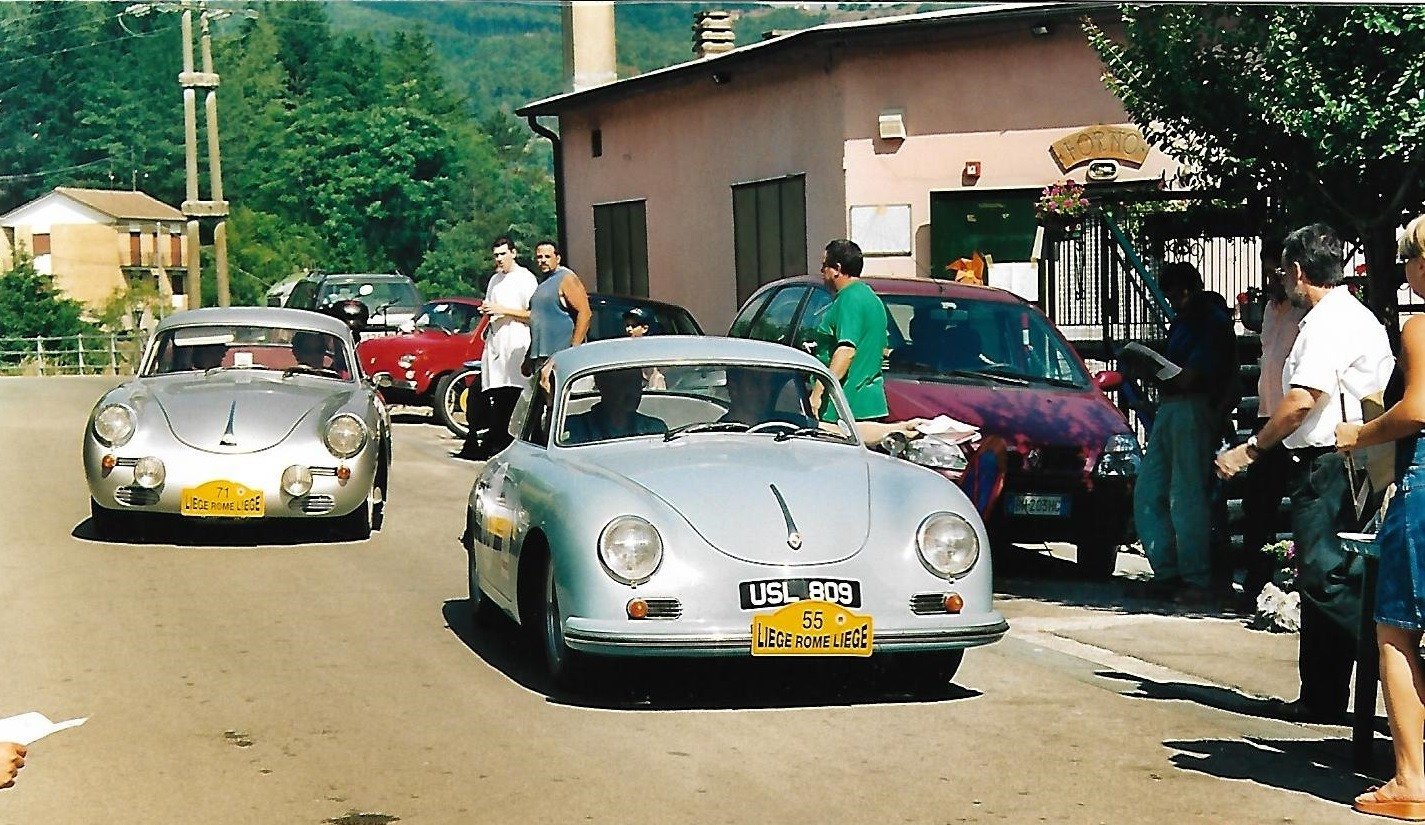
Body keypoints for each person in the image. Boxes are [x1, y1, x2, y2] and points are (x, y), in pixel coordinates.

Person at [1216, 223, 1394, 725]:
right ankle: (1321, 695)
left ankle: (1398, 665)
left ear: (1297, 270)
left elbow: (1300, 401)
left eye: (1283, 271)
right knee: (1323, 579)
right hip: (1336, 462)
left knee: (1328, 579)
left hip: (1333, 463)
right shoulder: (1344, 315)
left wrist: (1251, 449)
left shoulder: (1327, 323)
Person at [1337, 214, 1425, 820]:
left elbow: (1417, 409)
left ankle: (1411, 779)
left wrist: (1360, 434)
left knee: (1396, 629)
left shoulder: (1420, 327)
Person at [1129, 261, 1237, 604]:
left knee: (1186, 494)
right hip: (1172, 406)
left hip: (1195, 406)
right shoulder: (1185, 321)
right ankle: (1168, 570)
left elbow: (1193, 375)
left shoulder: (1211, 321)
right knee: (1150, 491)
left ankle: (1196, 576)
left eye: (1178, 294)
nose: (1175, 302)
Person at [1240, 237, 1309, 604]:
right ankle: (1257, 582)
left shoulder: (1306, 313)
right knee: (1257, 503)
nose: (1272, 279)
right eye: (1268, 272)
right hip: (1267, 415)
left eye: (1277, 272)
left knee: (1299, 504)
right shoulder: (1269, 308)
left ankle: (1298, 583)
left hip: (1294, 420)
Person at [456, 236, 538, 461]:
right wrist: (488, 311)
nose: (499, 259)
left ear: (513, 253)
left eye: (503, 254)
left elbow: (533, 314)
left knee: (514, 395)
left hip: (517, 342)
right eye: (496, 255)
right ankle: (493, 440)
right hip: (496, 343)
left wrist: (503, 310)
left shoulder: (526, 279)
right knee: (494, 394)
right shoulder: (494, 280)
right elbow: (491, 308)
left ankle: (510, 443)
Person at [808, 239, 889, 424]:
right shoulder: (871, 298)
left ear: (837, 269)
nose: (822, 271)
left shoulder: (849, 300)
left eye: (824, 266)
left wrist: (818, 391)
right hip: (871, 404)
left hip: (846, 407)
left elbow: (846, 351)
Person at [525, 240, 592, 390]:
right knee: (545, 401)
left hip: (562, 357)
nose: (543, 260)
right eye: (539, 257)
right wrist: (529, 357)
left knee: (563, 400)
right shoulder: (543, 283)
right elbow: (539, 321)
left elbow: (585, 312)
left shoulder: (566, 278)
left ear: (558, 258)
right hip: (542, 358)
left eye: (547, 256)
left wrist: (573, 350)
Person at [564, 368, 666, 444]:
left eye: (637, 383)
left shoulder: (656, 429)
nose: (633, 390)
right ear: (601, 383)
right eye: (624, 382)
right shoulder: (575, 428)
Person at [623, 306, 666, 390]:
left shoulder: (651, 351)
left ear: (645, 329)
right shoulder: (625, 350)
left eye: (633, 326)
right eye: (627, 325)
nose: (629, 329)